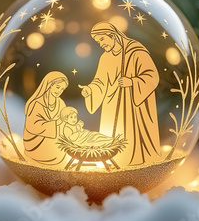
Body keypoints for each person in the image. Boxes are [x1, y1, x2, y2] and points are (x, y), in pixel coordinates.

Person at [78, 22, 161, 166]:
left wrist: (131, 82)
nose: (101, 44)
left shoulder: (136, 52)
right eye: (98, 42)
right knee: (112, 138)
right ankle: (115, 161)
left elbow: (152, 76)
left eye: (102, 39)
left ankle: (134, 161)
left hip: (132, 106)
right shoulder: (105, 57)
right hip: (111, 106)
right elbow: (100, 81)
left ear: (112, 35)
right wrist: (90, 90)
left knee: (130, 136)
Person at [23, 71, 69, 166]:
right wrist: (55, 124)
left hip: (55, 139)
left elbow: (64, 121)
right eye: (57, 87)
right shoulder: (37, 103)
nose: (59, 91)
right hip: (36, 141)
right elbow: (31, 126)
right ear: (49, 85)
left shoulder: (60, 103)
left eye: (62, 89)